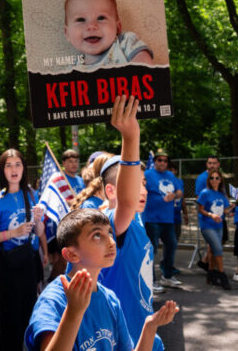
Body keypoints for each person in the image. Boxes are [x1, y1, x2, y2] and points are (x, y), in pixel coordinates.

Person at [24, 209, 178, 351]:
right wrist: (73, 312)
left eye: (110, 233)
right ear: (71, 255)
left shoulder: (110, 299)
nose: (111, 242)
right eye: (97, 235)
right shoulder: (54, 300)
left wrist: (150, 327)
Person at [99, 95, 165, 350]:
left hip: (144, 334)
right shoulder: (109, 225)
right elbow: (125, 204)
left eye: (144, 183)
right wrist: (130, 136)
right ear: (111, 191)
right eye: (135, 184)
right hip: (121, 339)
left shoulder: (136, 222)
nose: (143, 191)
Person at [0, 149, 48, 351]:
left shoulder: (31, 194)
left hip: (28, 262)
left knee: (29, 313)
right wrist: (13, 233)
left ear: (24, 168)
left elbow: (39, 232)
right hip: (5, 263)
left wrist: (38, 219)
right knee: (8, 318)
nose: (14, 169)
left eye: (18, 164)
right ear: (1, 170)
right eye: (8, 165)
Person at [64, 0, 153, 70]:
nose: (91, 26)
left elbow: (144, 62)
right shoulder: (73, 68)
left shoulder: (125, 43)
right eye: (81, 20)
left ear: (118, 28)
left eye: (101, 18)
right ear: (67, 33)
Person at [143, 148, 183, 289]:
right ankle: (150, 280)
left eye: (165, 160)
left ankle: (166, 276)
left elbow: (179, 191)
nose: (163, 163)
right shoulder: (147, 174)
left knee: (171, 245)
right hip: (151, 218)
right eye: (160, 160)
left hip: (168, 219)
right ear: (155, 162)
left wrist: (175, 195)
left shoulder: (170, 176)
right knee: (152, 250)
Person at [196, 169, 234, 290]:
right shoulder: (205, 193)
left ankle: (211, 275)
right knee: (218, 248)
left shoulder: (222, 194)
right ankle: (222, 276)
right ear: (209, 180)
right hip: (207, 226)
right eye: (212, 178)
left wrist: (231, 208)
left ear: (220, 180)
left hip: (219, 226)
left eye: (217, 178)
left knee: (212, 250)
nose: (214, 180)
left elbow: (224, 211)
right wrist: (211, 215)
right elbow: (200, 209)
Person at [194, 156, 220, 271]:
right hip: (207, 217)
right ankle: (211, 269)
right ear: (206, 164)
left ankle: (205, 261)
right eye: (210, 163)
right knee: (213, 243)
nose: (212, 165)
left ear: (218, 164)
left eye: (214, 163)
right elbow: (199, 198)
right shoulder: (201, 178)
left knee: (218, 242)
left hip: (219, 216)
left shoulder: (219, 177)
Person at [167, 162, 186, 276]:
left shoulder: (179, 182)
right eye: (170, 170)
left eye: (174, 170)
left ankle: (170, 264)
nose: (172, 172)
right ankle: (166, 265)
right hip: (168, 217)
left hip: (177, 216)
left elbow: (182, 198)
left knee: (174, 242)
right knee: (170, 242)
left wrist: (186, 213)